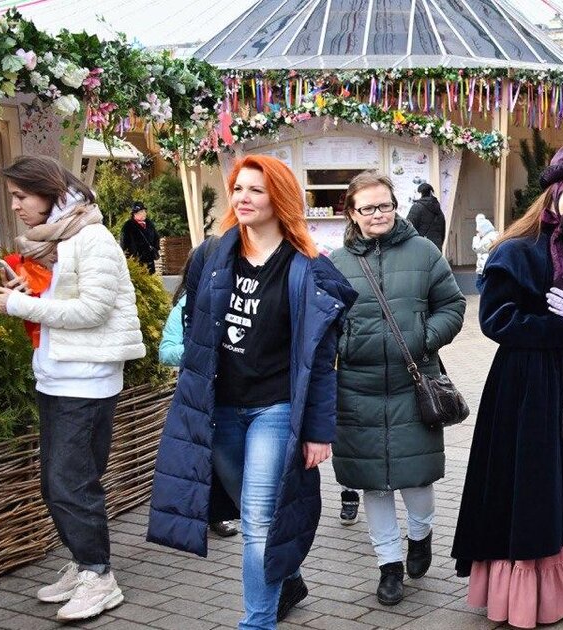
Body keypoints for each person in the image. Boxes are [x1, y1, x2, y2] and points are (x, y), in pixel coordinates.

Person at [147, 155, 357, 630]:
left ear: (279, 197)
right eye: (238, 188)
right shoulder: (212, 255)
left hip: (276, 409)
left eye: (255, 190)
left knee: (258, 524)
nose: (243, 198)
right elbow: (192, 323)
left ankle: (257, 621)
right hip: (219, 407)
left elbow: (322, 360)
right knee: (251, 510)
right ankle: (290, 576)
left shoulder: (308, 269)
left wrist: (320, 431)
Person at [452, 148, 563, 628]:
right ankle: (531, 593)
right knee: (533, 480)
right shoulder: (514, 250)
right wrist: (559, 331)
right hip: (526, 385)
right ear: (557, 189)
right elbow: (496, 320)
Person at [0, 156, 144, 622]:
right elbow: (66, 304)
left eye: (21, 196)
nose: (15, 206)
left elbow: (93, 312)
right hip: (58, 375)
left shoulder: (92, 238)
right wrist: (33, 295)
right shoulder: (61, 240)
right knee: (59, 481)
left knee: (69, 482)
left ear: (49, 192)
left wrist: (21, 305)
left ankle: (99, 577)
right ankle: (84, 564)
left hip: (86, 380)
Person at [330, 171, 466, 606]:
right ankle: (387, 564)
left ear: (395, 205)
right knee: (374, 483)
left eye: (384, 205)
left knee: (417, 477)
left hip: (413, 382)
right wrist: (346, 343)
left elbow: (453, 304)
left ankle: (421, 535)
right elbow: (325, 321)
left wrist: (422, 339)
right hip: (358, 386)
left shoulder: (423, 251)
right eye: (367, 208)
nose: (378, 214)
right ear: (352, 213)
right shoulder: (337, 262)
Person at [157, 254, 241, 539]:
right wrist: (202, 352)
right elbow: (166, 350)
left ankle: (221, 513)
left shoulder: (240, 299)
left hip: (237, 394)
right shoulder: (185, 305)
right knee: (201, 456)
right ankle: (202, 515)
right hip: (200, 394)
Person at [120, 201, 160, 273]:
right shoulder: (128, 225)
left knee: (152, 280)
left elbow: (156, 237)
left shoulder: (149, 223)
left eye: (144, 211)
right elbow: (123, 244)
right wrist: (129, 258)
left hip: (149, 260)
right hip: (136, 262)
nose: (144, 213)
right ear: (135, 214)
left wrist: (155, 248)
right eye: (141, 211)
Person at [406, 182, 446, 252]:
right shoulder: (438, 209)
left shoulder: (416, 207)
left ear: (420, 193)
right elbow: (442, 230)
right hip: (436, 248)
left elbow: (408, 228)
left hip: (420, 248)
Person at [471, 213, 498, 279]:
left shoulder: (487, 238)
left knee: (480, 283)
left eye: (478, 231)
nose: (478, 233)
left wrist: (476, 238)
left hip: (484, 266)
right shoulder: (495, 235)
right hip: (492, 264)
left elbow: (476, 248)